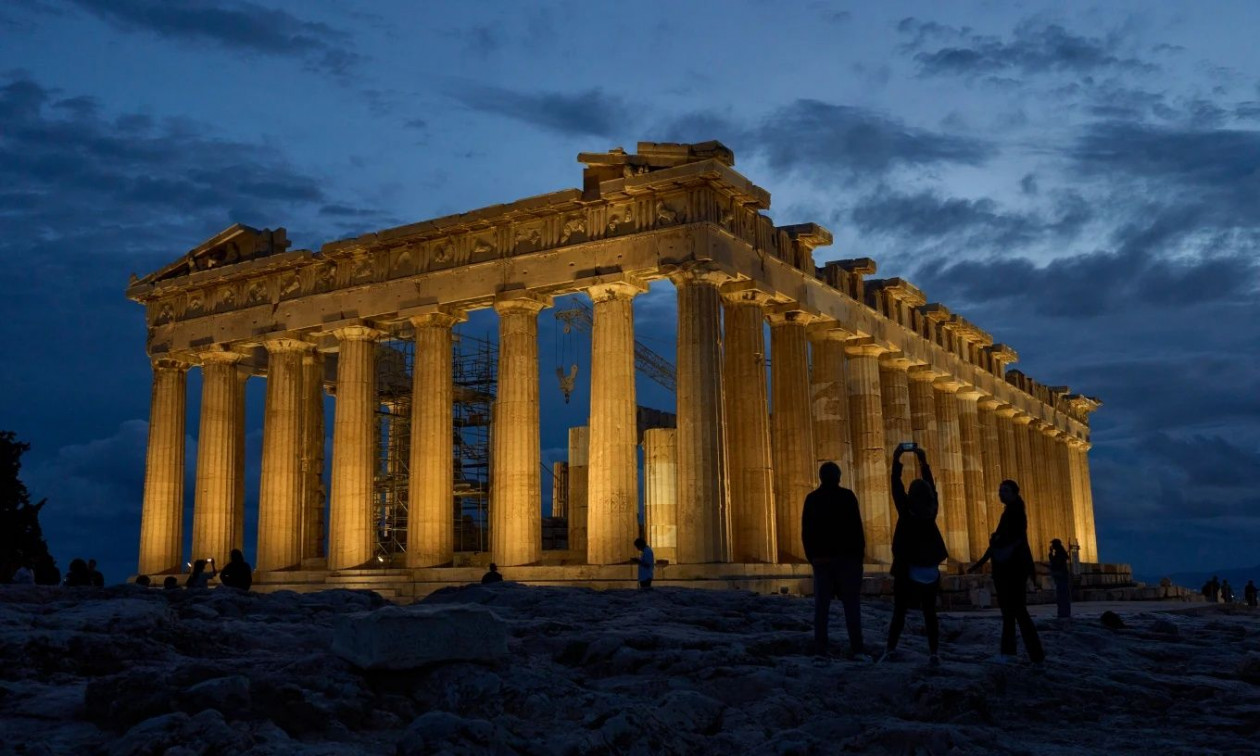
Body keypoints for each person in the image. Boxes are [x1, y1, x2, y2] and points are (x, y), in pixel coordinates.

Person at [881, 445, 948, 666]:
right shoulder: (931, 510)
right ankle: (934, 652)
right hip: (930, 570)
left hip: (908, 569)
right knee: (930, 613)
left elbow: (895, 485)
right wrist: (923, 462)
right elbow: (932, 487)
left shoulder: (906, 511)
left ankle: (890, 649)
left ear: (911, 495)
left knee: (899, 612)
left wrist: (897, 458)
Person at [968, 480, 1045, 665]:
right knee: (1013, 613)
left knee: (1015, 612)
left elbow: (1010, 538)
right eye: (999, 490)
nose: (1000, 494)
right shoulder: (1014, 511)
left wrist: (997, 539)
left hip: (1010, 569)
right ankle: (1021, 652)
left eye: (1004, 491)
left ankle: (1024, 653)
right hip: (1013, 568)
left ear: (1014, 493)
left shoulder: (1015, 512)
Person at [802, 461, 867, 660]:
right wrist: (858, 560)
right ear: (838, 477)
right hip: (846, 561)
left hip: (822, 561)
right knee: (852, 608)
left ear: (820, 478)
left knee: (821, 608)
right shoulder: (847, 497)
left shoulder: (812, 499)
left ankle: (820, 650)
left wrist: (812, 558)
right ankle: (857, 650)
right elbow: (857, 531)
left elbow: (806, 532)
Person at [1048, 539, 1072, 619]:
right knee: (1063, 596)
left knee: (1062, 597)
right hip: (1062, 577)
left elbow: (1055, 563)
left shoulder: (1059, 554)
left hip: (1061, 577)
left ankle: (1063, 614)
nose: (1052, 546)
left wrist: (1050, 554)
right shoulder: (1060, 553)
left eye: (1053, 544)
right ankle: (1064, 613)